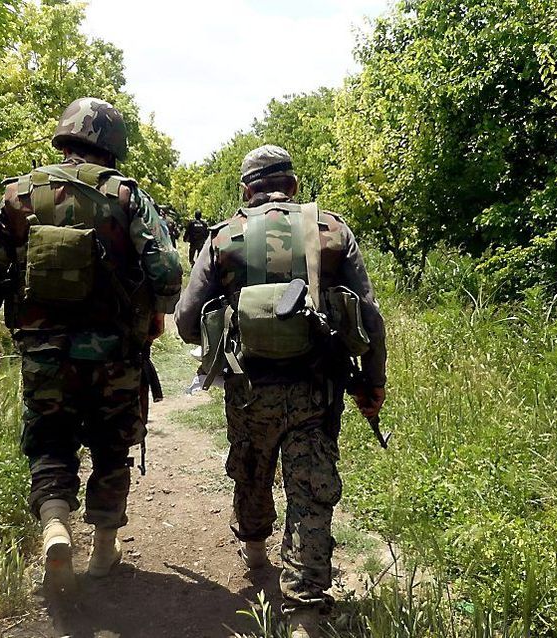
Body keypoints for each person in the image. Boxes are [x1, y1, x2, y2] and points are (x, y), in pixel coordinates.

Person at [0, 97, 182, 587]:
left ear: (63, 137)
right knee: (111, 446)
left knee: (49, 438)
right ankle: (104, 548)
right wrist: (155, 318)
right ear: (113, 144)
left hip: (44, 352)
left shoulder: (18, 195)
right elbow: (166, 269)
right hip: (115, 354)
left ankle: (55, 521)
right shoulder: (127, 196)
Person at [174, 145, 387, 637]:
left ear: (246, 190)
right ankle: (305, 613)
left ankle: (253, 547)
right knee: (311, 492)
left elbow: (186, 322)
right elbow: (370, 318)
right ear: (293, 186)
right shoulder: (330, 230)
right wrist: (373, 384)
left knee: (251, 467)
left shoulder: (223, 237)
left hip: (249, 388)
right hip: (316, 388)